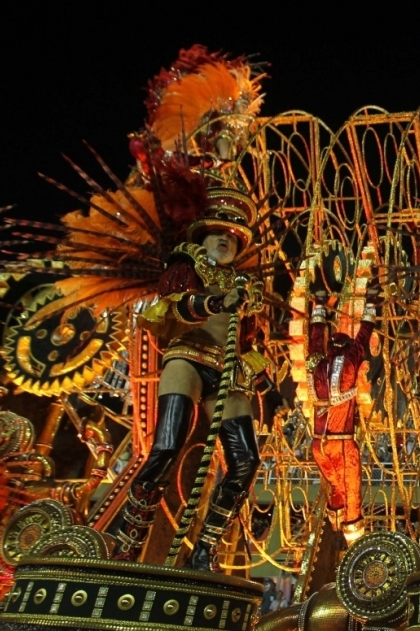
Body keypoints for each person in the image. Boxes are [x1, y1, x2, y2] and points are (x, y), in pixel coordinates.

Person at [112, 187, 266, 571]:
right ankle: (129, 539)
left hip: (226, 371)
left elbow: (247, 339)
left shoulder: (242, 286)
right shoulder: (187, 265)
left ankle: (204, 549)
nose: (226, 240)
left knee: (246, 461)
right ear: (203, 235)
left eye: (233, 236)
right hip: (187, 358)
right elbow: (175, 305)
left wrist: (261, 373)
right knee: (166, 446)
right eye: (220, 233)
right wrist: (215, 303)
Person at [306, 276, 381, 544]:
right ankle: (353, 542)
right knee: (351, 494)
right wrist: (371, 301)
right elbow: (364, 334)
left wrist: (319, 305)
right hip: (341, 444)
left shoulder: (317, 362)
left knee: (340, 488)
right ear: (346, 347)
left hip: (319, 446)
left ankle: (338, 523)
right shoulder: (350, 359)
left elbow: (314, 337)